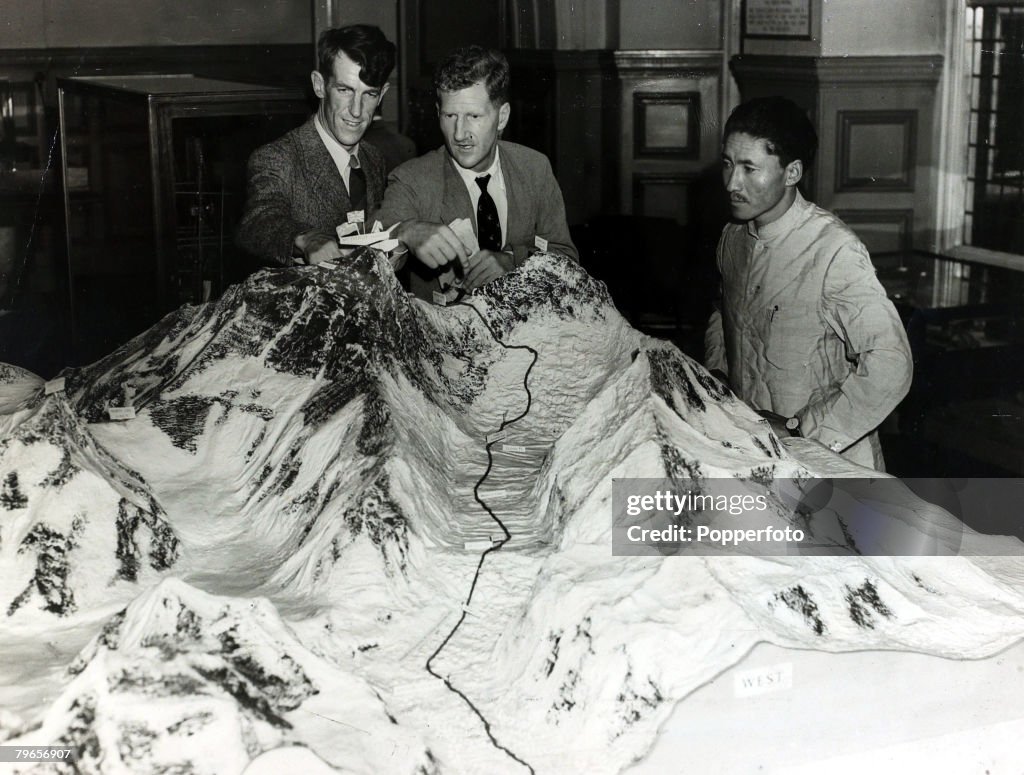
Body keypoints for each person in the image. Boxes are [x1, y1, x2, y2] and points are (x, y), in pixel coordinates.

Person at [704, 96, 912, 471]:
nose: (732, 182)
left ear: (792, 173)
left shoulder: (834, 251)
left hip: (828, 461)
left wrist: (802, 428)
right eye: (728, 163)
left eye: (750, 168)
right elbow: (722, 313)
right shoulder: (732, 238)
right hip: (750, 450)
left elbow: (891, 365)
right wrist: (717, 374)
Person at [372, 45, 577, 300]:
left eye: (473, 116)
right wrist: (402, 233)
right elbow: (366, 261)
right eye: (450, 115)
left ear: (502, 118)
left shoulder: (534, 168)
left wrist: (515, 261)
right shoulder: (412, 179)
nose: (460, 133)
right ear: (438, 113)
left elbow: (567, 261)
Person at [236, 25, 396, 266]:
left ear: (382, 94)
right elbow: (259, 221)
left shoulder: (374, 159)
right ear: (319, 85)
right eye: (345, 90)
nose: (356, 110)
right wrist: (306, 239)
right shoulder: (277, 157)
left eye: (369, 94)